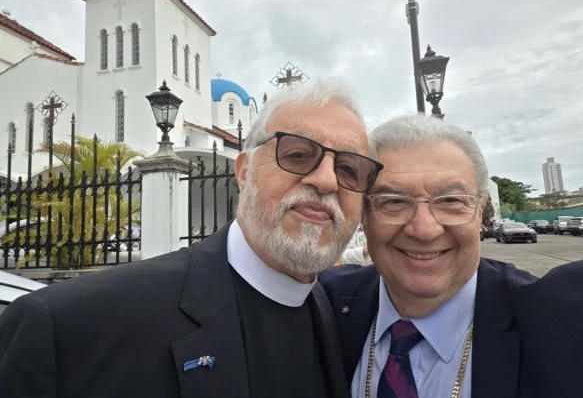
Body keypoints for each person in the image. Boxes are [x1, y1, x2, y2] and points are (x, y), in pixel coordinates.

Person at [0, 80, 383, 398]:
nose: (327, 180)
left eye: (350, 169)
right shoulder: (66, 330)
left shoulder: (341, 316)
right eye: (298, 154)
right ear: (244, 172)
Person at [321, 114, 583, 398]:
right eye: (393, 202)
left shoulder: (564, 324)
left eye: (451, 201)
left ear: (480, 211)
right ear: (363, 216)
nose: (424, 230)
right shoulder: (327, 301)